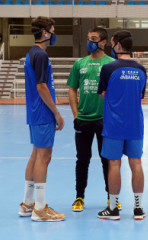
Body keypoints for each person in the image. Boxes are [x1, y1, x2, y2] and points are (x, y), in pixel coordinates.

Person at [67, 27, 121, 212]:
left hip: (104, 121)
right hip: (83, 120)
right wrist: (75, 114)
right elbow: (72, 89)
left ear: (104, 42)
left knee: (107, 160)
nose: (90, 42)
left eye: (94, 39)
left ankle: (110, 198)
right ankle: (79, 196)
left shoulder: (111, 64)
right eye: (88, 38)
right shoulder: (79, 64)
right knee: (82, 159)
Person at [19, 16, 66, 222]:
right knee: (44, 157)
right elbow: (41, 86)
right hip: (43, 113)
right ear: (45, 33)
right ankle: (39, 208)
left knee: (36, 155)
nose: (54, 34)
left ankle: (28, 204)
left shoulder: (32, 53)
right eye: (53, 31)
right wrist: (56, 112)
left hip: (34, 112)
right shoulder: (40, 56)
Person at [96, 30, 147, 220]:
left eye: (111, 43)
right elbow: (140, 95)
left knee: (114, 164)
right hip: (135, 125)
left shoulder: (108, 68)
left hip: (114, 125)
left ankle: (113, 209)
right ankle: (139, 208)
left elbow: (102, 93)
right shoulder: (142, 70)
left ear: (117, 45)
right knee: (136, 163)